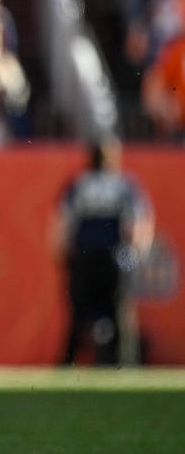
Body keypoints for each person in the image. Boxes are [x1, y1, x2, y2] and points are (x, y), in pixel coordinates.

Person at [52, 138, 154, 366]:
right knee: (120, 312)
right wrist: (135, 254)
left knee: (78, 315)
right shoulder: (124, 184)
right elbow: (138, 224)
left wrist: (62, 254)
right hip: (114, 257)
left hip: (84, 257)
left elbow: (62, 224)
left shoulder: (79, 184)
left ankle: (67, 364)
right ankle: (125, 364)